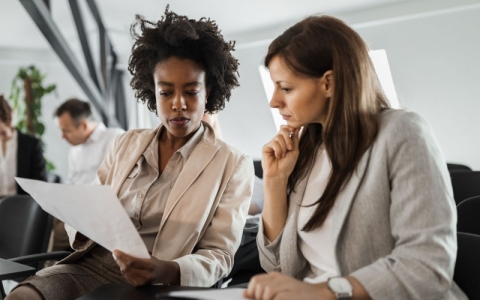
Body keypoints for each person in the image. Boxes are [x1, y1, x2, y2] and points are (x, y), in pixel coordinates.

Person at [7, 7, 254, 300]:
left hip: (162, 284)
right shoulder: (126, 144)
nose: (178, 104)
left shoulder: (232, 164)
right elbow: (88, 210)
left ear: (209, 92)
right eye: (166, 92)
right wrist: (84, 227)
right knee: (22, 297)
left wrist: (164, 269)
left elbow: (220, 256)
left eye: (191, 92)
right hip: (88, 267)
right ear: (153, 91)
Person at [244, 15, 466, 300]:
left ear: (329, 83)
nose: (274, 101)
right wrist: (275, 181)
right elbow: (278, 268)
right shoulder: (307, 150)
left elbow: (426, 264)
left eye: (285, 88)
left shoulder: (401, 132)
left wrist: (325, 292)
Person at [54, 98, 125, 185]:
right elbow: (72, 181)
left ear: (84, 126)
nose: (62, 136)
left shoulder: (115, 138)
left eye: (66, 131)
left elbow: (114, 182)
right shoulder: (75, 147)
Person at [0, 95, 46, 197]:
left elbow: (40, 184)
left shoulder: (32, 144)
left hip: (22, 205)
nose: (2, 127)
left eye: (4, 120)